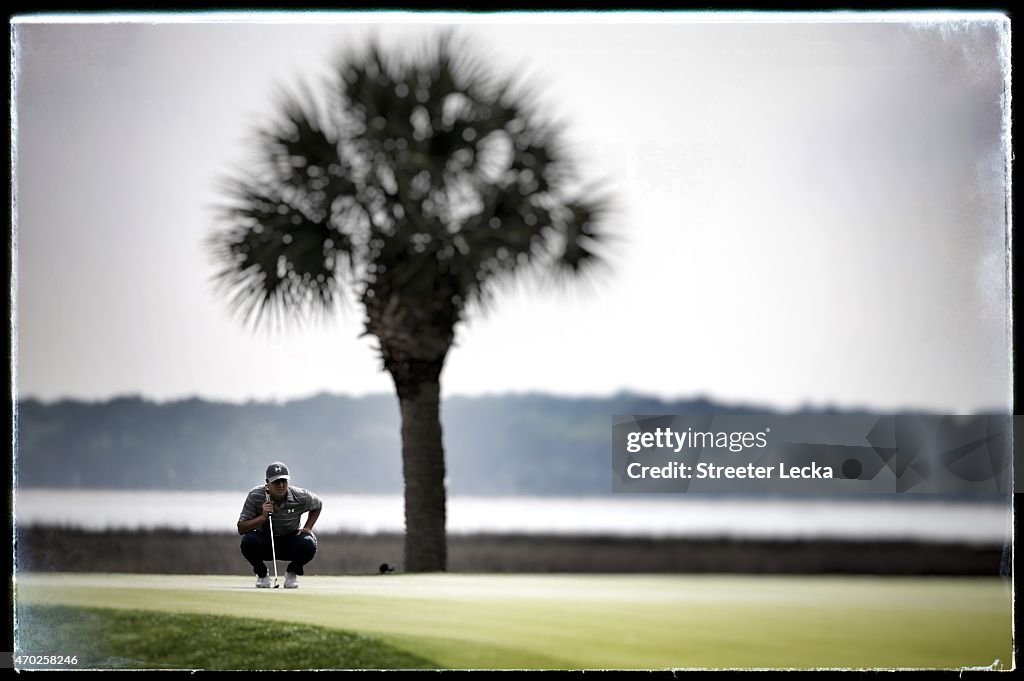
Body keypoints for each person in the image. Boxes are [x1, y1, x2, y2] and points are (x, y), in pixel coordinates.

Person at [237, 461, 323, 588]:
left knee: (308, 543)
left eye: (284, 481)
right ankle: (262, 574)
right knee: (248, 542)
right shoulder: (255, 495)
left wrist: (307, 527)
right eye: (276, 482)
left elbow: (318, 504)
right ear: (267, 482)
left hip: (290, 539)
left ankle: (292, 573)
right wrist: (263, 517)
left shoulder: (300, 495)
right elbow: (241, 528)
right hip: (265, 540)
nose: (281, 485)